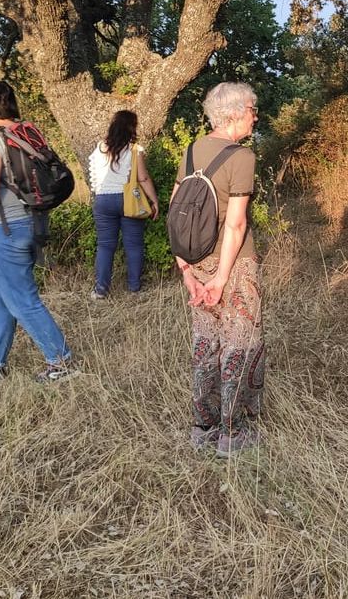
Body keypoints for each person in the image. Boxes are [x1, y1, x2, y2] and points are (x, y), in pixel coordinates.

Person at [174, 82, 265, 457]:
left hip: (196, 261)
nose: (255, 117)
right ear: (236, 113)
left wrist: (187, 271)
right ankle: (233, 431)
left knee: (206, 342)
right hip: (235, 265)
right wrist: (222, 279)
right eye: (252, 110)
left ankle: (203, 426)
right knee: (240, 343)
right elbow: (236, 224)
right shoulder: (241, 157)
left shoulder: (192, 150)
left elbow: (176, 213)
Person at [0, 80, 74, 383]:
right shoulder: (24, 133)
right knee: (4, 296)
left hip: (3, 229)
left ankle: (61, 361)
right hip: (31, 223)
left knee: (22, 300)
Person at [88, 110, 159, 299]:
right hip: (128, 200)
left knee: (105, 245)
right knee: (133, 245)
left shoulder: (100, 147)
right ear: (132, 127)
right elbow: (142, 178)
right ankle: (134, 287)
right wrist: (154, 200)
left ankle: (101, 290)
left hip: (103, 200)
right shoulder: (135, 150)